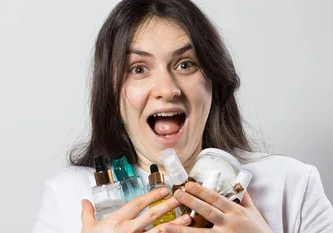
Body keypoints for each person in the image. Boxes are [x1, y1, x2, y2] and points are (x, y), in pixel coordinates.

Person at [31, 0, 333, 232]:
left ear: (214, 81)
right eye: (138, 69)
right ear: (110, 94)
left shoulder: (292, 184)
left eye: (186, 64)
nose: (167, 88)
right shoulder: (69, 196)